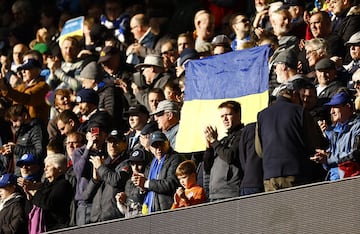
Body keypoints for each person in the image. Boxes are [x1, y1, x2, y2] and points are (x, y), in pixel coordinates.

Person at [255, 81, 328, 191]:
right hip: (296, 174)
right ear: (294, 94)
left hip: (270, 176)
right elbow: (313, 143)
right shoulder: (300, 112)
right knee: (297, 207)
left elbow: (259, 150)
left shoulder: (262, 115)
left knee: (276, 208)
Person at [311, 90, 360, 180]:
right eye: (331, 108)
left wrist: (328, 158)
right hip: (333, 179)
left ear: (348, 106)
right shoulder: (332, 131)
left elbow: (356, 154)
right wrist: (322, 158)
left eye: (335, 107)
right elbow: (329, 162)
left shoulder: (358, 127)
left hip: (351, 180)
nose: (331, 112)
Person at [132, 131, 184, 214]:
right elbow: (141, 195)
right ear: (150, 149)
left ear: (168, 143)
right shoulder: (150, 165)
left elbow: (170, 183)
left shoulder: (176, 159)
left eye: (161, 144)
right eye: (155, 146)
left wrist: (146, 183)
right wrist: (141, 187)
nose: (159, 149)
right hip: (151, 211)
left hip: (169, 210)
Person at [86, 129, 131, 222]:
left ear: (125, 145)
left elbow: (116, 180)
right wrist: (95, 180)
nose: (112, 145)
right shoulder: (103, 163)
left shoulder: (127, 163)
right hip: (96, 218)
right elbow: (87, 195)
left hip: (114, 218)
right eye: (109, 142)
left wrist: (100, 167)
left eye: (116, 142)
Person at [203, 100, 243, 201]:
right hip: (215, 194)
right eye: (222, 116)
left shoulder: (242, 135)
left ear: (238, 114)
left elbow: (230, 156)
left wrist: (213, 141)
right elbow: (207, 167)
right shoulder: (222, 142)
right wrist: (209, 147)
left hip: (230, 193)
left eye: (228, 114)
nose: (224, 119)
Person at [72, 121, 109, 225]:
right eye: (92, 133)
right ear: (87, 135)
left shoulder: (107, 152)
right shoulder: (79, 152)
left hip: (102, 200)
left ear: (104, 135)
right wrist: (88, 148)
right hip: (85, 202)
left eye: (99, 134)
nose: (95, 137)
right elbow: (79, 171)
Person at [26, 153, 73, 231]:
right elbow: (31, 211)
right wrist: (30, 198)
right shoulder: (45, 186)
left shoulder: (63, 185)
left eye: (48, 166)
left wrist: (35, 193)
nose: (45, 169)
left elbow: (48, 204)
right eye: (45, 166)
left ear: (59, 169)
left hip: (56, 229)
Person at [79, 61, 129, 132]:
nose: (83, 85)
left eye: (84, 81)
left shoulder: (108, 91)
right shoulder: (96, 92)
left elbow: (110, 115)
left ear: (92, 80)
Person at [0, 57, 50, 125]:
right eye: (22, 69)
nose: (23, 72)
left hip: (36, 129)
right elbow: (9, 97)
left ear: (37, 71)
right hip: (20, 127)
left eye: (27, 69)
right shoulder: (22, 86)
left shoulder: (43, 86)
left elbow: (27, 98)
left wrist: (4, 88)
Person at [1, 104, 47, 176]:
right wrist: (10, 152)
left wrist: (15, 148)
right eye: (12, 122)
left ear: (25, 116)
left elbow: (39, 153)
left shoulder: (36, 129)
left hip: (32, 177)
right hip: (20, 175)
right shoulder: (21, 130)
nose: (14, 125)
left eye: (15, 120)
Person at [116, 148, 151, 218]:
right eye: (133, 164)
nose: (135, 168)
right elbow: (126, 211)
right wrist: (120, 202)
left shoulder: (151, 180)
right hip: (130, 222)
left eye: (139, 164)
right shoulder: (129, 182)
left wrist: (143, 186)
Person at [239, 122, 264, 196]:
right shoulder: (266, 128)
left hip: (248, 181)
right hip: (261, 180)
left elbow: (242, 156)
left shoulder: (247, 129)